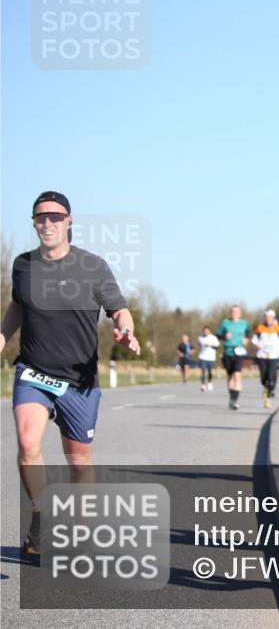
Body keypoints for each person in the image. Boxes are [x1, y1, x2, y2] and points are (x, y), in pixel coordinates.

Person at [0, 191, 141, 554]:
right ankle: (40, 514)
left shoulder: (92, 266)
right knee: (28, 443)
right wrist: (2, 337)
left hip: (78, 378)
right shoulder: (22, 265)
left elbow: (118, 309)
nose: (47, 223)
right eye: (40, 217)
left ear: (69, 221)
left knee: (78, 460)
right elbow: (17, 306)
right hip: (33, 370)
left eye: (54, 216)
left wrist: (126, 330)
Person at [217, 305, 251, 410]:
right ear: (230, 313)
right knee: (230, 376)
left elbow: (249, 333)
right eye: (233, 311)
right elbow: (218, 334)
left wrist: (246, 339)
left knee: (237, 375)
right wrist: (224, 336)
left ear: (240, 313)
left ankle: (235, 400)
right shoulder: (225, 323)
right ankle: (232, 398)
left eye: (237, 311)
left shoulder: (244, 323)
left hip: (239, 351)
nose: (234, 313)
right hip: (228, 351)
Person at [252, 308, 279, 410]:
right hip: (262, 356)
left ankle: (269, 395)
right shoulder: (260, 328)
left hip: (274, 356)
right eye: (266, 317)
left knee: (271, 376)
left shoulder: (278, 329)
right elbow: (254, 340)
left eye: (270, 317)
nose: (268, 319)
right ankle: (266, 388)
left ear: (273, 318)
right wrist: (258, 345)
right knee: (263, 377)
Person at [197, 326, 220, 392]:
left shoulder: (213, 338)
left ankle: (210, 382)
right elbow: (198, 345)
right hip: (202, 357)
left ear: (209, 331)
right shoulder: (200, 337)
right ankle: (203, 384)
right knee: (203, 371)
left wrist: (211, 346)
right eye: (204, 331)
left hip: (211, 357)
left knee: (210, 371)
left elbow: (217, 347)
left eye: (207, 331)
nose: (205, 332)